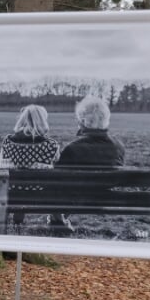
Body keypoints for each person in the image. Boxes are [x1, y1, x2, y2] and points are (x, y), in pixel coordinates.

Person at [49, 96, 126, 234]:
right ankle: (59, 221)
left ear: (83, 121)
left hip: (76, 199)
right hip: (108, 198)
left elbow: (56, 182)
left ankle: (57, 220)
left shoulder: (72, 149)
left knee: (58, 189)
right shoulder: (119, 146)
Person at [0, 104, 60, 228]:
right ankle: (57, 221)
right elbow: (57, 167)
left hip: (12, 190)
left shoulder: (8, 141)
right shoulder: (51, 145)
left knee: (18, 181)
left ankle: (17, 222)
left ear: (22, 120)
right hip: (40, 191)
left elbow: (1, 164)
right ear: (43, 121)